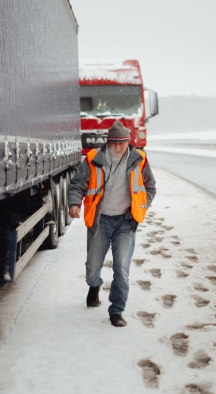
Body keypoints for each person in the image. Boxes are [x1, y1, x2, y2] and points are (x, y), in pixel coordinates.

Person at [67, 121, 156, 327]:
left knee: (121, 267)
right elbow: (77, 184)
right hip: (100, 221)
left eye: (122, 143)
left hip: (126, 221)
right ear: (108, 143)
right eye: (114, 143)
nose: (118, 147)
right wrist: (74, 203)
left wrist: (142, 207)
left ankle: (116, 311)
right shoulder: (93, 160)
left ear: (128, 142)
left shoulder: (139, 160)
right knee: (92, 266)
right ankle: (94, 285)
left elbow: (150, 187)